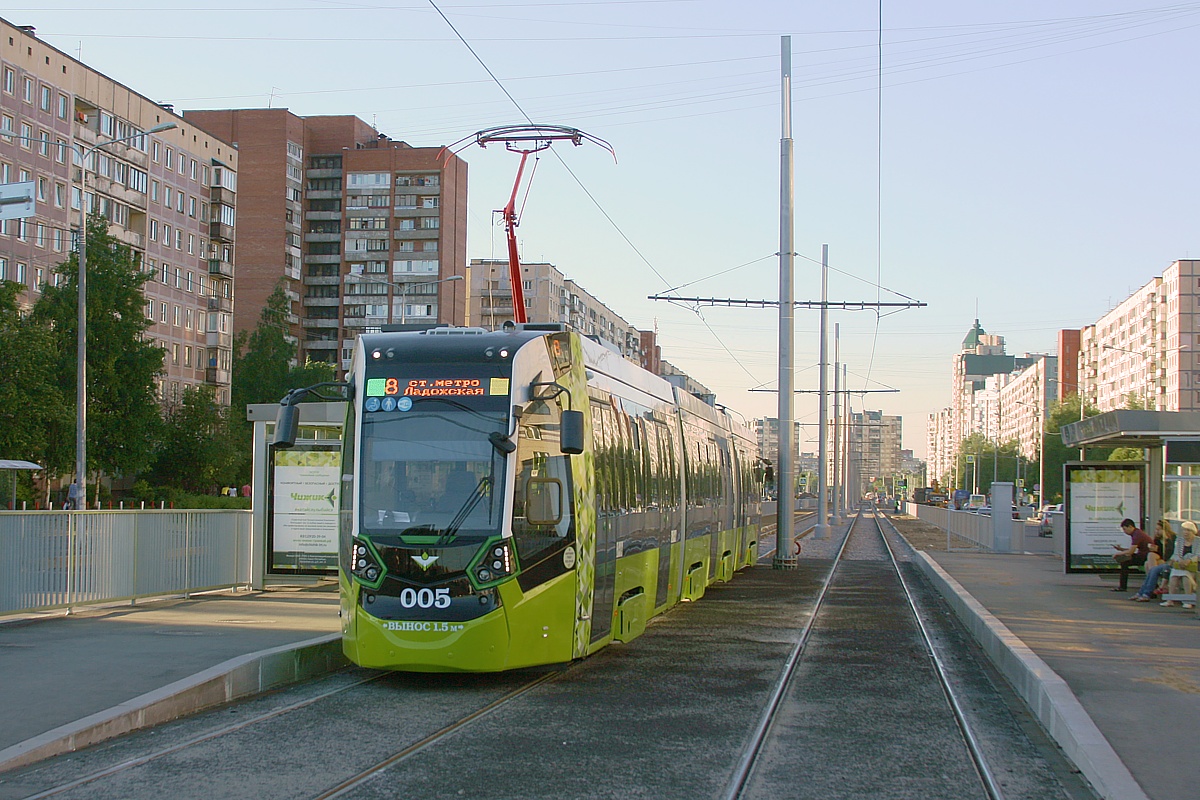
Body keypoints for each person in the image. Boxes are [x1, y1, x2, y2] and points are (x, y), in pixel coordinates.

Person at [1130, 519, 1177, 601]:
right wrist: (1153, 549)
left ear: (1165, 530)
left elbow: (1170, 554)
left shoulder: (1173, 539)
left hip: (1169, 562)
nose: (1157, 531)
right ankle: (1145, 592)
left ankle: (1144, 593)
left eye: (1159, 529)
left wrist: (1166, 540)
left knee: (1150, 567)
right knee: (1149, 559)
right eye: (1156, 529)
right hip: (1161, 560)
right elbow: (1159, 554)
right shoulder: (1157, 539)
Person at [1161, 521, 1198, 608]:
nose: (1185, 532)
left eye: (1188, 530)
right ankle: (1170, 600)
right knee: (1173, 576)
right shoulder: (1179, 540)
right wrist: (1180, 560)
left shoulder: (1198, 541)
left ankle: (1188, 601)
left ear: (1193, 531)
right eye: (1184, 530)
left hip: (1192, 566)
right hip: (1180, 565)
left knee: (1186, 577)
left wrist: (1189, 560)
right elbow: (1175, 554)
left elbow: (1198, 555)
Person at [1110, 518, 1152, 592]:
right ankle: (1122, 586)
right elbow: (1131, 550)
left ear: (1130, 526)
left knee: (1125, 562)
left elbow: (1131, 552)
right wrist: (1121, 549)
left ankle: (1123, 586)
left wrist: (1118, 554)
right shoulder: (1136, 533)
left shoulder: (1137, 535)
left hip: (1145, 556)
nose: (1124, 532)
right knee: (1125, 562)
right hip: (1143, 555)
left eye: (1125, 529)